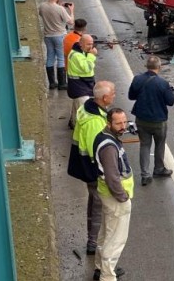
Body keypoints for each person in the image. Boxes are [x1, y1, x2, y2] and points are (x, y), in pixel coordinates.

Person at [66, 81, 116, 257]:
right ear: (105, 98)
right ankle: (94, 243)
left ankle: (93, 240)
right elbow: (97, 149)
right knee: (99, 206)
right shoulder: (95, 121)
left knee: (94, 203)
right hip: (93, 169)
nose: (114, 96)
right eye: (113, 93)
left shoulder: (87, 109)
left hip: (85, 166)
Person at [93, 108, 134, 281]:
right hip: (116, 198)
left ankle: (100, 268)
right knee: (115, 240)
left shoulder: (105, 137)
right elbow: (112, 177)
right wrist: (123, 197)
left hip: (108, 195)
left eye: (124, 122)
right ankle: (108, 276)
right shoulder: (109, 147)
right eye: (118, 123)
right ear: (108, 123)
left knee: (106, 235)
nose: (123, 126)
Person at [129, 56, 174, 186]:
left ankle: (145, 175)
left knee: (144, 145)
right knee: (160, 144)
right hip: (158, 121)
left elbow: (131, 96)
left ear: (146, 66)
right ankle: (159, 169)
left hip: (141, 119)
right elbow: (170, 102)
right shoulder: (163, 83)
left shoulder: (137, 79)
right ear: (159, 67)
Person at [39, 0, 74, 90]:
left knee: (50, 57)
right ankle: (62, 83)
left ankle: (52, 83)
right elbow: (71, 22)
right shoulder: (60, 9)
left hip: (48, 36)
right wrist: (71, 10)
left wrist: (59, 6)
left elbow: (46, 13)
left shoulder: (42, 6)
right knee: (60, 58)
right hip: (59, 36)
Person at [67, 34, 97, 129]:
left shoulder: (81, 51)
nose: (90, 47)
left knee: (76, 105)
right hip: (79, 86)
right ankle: (81, 129)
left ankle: (73, 122)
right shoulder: (76, 55)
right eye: (88, 44)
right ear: (81, 44)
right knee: (83, 109)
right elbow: (87, 68)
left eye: (91, 44)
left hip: (82, 84)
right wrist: (91, 55)